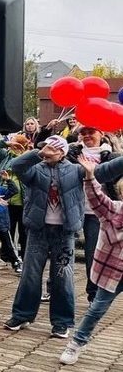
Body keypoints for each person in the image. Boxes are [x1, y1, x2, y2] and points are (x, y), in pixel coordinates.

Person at [3, 135, 123, 338]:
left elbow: (106, 171)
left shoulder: (76, 170)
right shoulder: (35, 169)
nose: (47, 151)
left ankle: (62, 322)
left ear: (62, 152)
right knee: (30, 274)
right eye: (45, 148)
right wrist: (37, 153)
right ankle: (22, 315)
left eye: (52, 148)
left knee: (62, 277)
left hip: (64, 233)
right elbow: (16, 166)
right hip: (37, 231)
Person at [59, 155, 123, 365]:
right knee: (97, 308)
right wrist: (89, 174)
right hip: (114, 270)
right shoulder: (113, 211)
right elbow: (96, 198)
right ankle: (77, 342)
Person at [65, 125, 121, 302]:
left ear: (101, 134)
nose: (87, 135)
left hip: (96, 213)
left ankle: (93, 294)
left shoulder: (111, 156)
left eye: (91, 132)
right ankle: (54, 288)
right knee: (62, 252)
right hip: (72, 208)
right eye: (83, 132)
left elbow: (115, 182)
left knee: (92, 254)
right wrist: (69, 150)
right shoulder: (72, 153)